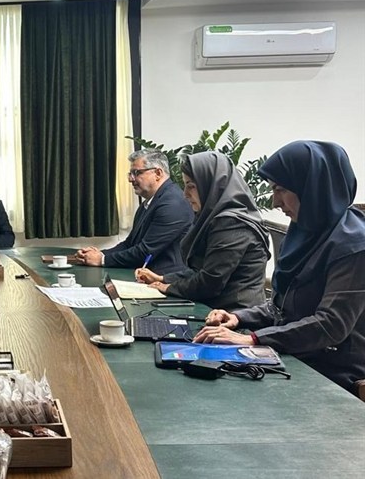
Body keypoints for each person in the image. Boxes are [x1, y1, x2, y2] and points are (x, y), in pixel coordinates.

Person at [194, 141, 365, 395]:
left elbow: (331, 325)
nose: (275, 202)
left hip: (331, 375)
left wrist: (253, 339)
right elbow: (281, 307)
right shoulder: (302, 234)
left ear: (313, 188)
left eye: (281, 189)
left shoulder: (354, 245)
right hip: (295, 357)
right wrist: (239, 317)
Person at [134, 151, 269, 310]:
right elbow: (201, 270)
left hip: (234, 314)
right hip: (213, 307)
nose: (185, 194)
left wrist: (168, 287)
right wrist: (162, 279)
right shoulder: (212, 217)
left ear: (212, 185)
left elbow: (210, 282)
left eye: (191, 186)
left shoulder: (232, 223)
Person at [75, 149, 193, 274]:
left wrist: (102, 260)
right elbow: (129, 244)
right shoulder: (150, 202)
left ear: (158, 173)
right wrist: (96, 254)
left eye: (137, 173)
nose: (131, 179)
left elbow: (145, 251)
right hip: (146, 275)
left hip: (165, 278)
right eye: (130, 174)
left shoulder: (173, 203)